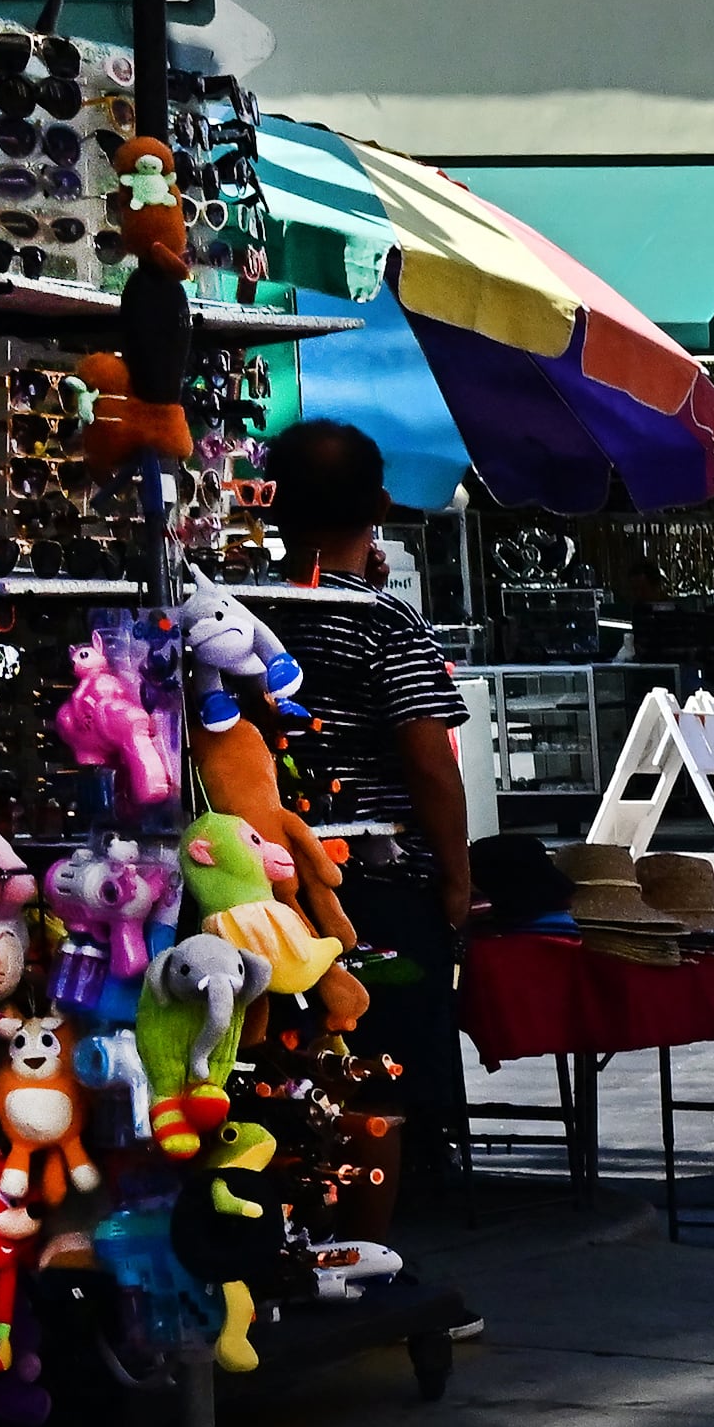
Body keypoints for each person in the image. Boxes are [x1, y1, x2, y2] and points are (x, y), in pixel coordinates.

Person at [264, 419, 475, 1179]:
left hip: (270, 878)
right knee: (389, 1048)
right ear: (380, 505)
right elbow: (429, 761)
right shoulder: (382, 620)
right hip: (375, 879)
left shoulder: (244, 611)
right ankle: (388, 1191)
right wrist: (456, 876)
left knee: (296, 1050)